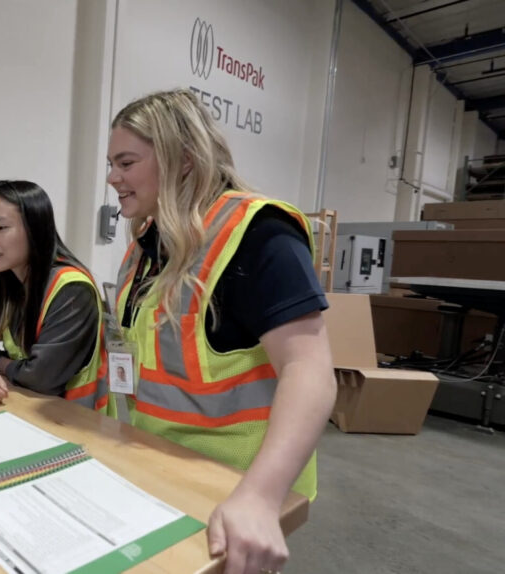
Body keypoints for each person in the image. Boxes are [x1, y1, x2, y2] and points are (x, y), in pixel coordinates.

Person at [105, 89, 337, 574]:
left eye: (126, 162)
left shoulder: (259, 233)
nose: (113, 178)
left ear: (182, 159)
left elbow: (309, 369)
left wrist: (259, 497)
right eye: (112, 163)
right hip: (157, 474)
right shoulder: (147, 247)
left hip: (234, 487)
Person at [0, 181, 107, 409]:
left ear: (35, 230)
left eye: (1, 228)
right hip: (26, 410)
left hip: (75, 421)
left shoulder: (72, 289)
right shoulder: (3, 280)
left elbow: (41, 378)